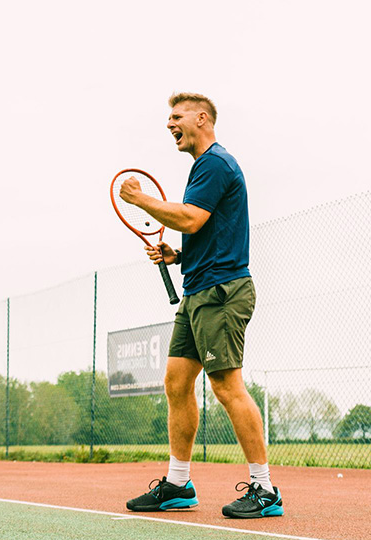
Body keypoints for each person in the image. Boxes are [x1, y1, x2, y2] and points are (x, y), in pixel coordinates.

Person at [118, 93, 283, 519]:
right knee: (176, 381)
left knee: (227, 386)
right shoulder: (201, 169)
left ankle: (265, 490)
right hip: (198, 289)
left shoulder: (215, 163)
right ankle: (177, 484)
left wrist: (140, 200)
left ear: (202, 118)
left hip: (222, 292)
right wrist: (178, 257)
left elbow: (191, 218)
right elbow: (204, 230)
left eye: (176, 116)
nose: (169, 124)